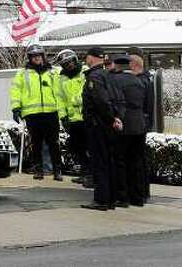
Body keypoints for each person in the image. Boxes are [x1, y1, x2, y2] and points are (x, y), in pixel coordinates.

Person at [9, 44, 63, 181]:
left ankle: (57, 170)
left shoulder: (53, 72)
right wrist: (16, 108)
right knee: (36, 143)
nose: (37, 58)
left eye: (39, 56)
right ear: (30, 58)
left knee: (53, 143)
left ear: (43, 56)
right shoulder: (23, 73)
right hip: (32, 113)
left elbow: (60, 91)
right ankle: (39, 170)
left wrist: (62, 111)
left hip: (51, 112)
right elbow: (16, 91)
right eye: (34, 56)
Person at [81, 46, 123, 210]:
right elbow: (117, 99)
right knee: (109, 162)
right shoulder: (108, 74)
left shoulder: (95, 76)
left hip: (98, 125)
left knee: (100, 162)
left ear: (91, 58)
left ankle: (101, 200)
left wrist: (110, 118)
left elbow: (100, 101)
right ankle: (111, 199)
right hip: (108, 125)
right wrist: (116, 117)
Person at [107, 52, 150, 207]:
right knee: (136, 162)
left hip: (123, 125)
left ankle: (122, 197)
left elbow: (112, 103)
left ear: (117, 65)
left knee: (120, 161)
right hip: (139, 125)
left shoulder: (114, 81)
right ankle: (138, 197)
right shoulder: (139, 81)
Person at [54, 50, 87, 183]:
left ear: (75, 60)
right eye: (65, 64)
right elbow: (60, 99)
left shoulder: (85, 72)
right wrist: (63, 117)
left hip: (87, 118)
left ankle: (93, 174)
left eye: (71, 62)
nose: (69, 65)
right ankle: (85, 173)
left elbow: (87, 92)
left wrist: (77, 101)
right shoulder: (61, 78)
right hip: (73, 120)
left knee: (90, 148)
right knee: (78, 148)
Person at [128, 47, 153, 202]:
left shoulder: (141, 80)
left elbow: (144, 105)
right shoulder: (146, 79)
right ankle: (142, 191)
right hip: (141, 124)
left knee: (136, 160)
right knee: (140, 159)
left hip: (138, 126)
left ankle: (139, 192)